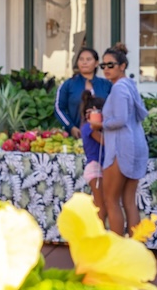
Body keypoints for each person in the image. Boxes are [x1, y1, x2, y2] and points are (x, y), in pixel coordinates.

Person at [100, 44, 149, 236]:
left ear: (122, 65)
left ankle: (117, 251)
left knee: (111, 200)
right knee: (129, 201)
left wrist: (100, 124)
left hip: (121, 147)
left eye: (110, 65)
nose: (106, 69)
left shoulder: (119, 88)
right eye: (103, 66)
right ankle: (135, 248)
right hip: (136, 144)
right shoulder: (130, 85)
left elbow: (119, 119)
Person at [55, 47, 111, 139]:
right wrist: (71, 127)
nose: (84, 62)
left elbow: (115, 109)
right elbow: (58, 108)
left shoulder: (106, 85)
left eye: (88, 59)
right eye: (81, 59)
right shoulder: (68, 84)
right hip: (76, 136)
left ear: (96, 63)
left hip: (104, 136)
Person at [79, 93, 107, 224]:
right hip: (95, 168)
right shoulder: (88, 128)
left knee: (100, 204)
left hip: (98, 167)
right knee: (101, 207)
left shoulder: (89, 127)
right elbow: (105, 142)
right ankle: (97, 236)